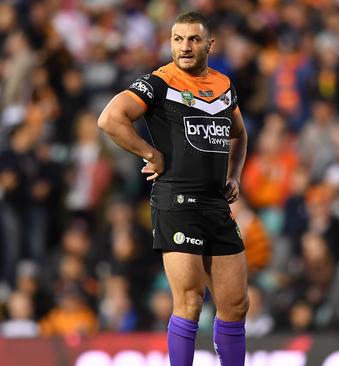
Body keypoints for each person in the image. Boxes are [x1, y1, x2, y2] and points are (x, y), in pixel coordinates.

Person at [98, 11, 249, 366]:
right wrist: (150, 152)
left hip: (216, 205)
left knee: (236, 304)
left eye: (194, 39)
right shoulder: (159, 82)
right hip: (177, 202)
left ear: (209, 44)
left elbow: (239, 134)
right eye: (178, 39)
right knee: (191, 301)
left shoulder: (224, 85)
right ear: (170, 43)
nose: (185, 47)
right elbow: (110, 118)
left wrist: (235, 174)